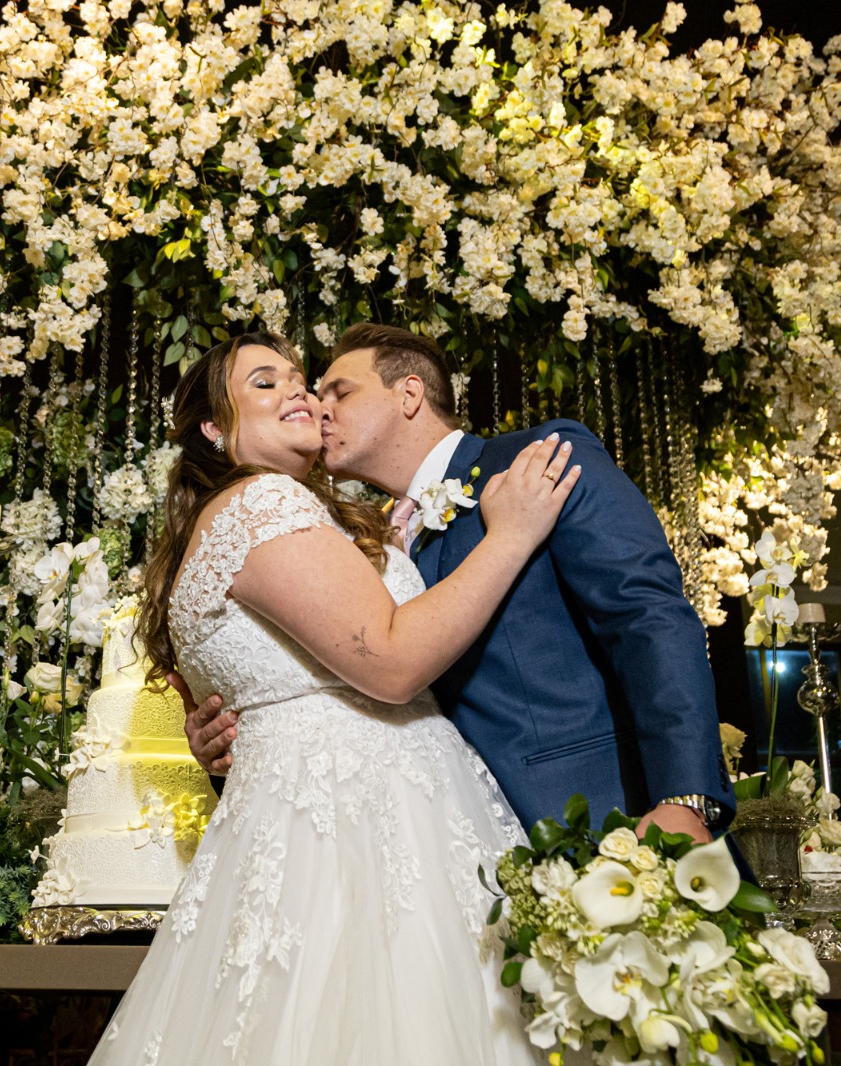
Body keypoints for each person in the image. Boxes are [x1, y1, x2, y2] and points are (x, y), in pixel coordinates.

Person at [89, 333, 577, 1064]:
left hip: (306, 817)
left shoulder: (238, 519)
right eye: (265, 383)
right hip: (366, 823)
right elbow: (389, 662)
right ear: (214, 429)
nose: (299, 392)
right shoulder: (261, 502)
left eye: (300, 379)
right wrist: (509, 536)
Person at [186, 323, 733, 843]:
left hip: (601, 816)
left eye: (339, 392)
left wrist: (684, 797)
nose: (317, 407)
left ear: (409, 394)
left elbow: (647, 618)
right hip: (448, 840)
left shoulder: (534, 460)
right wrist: (239, 735)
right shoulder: (357, 536)